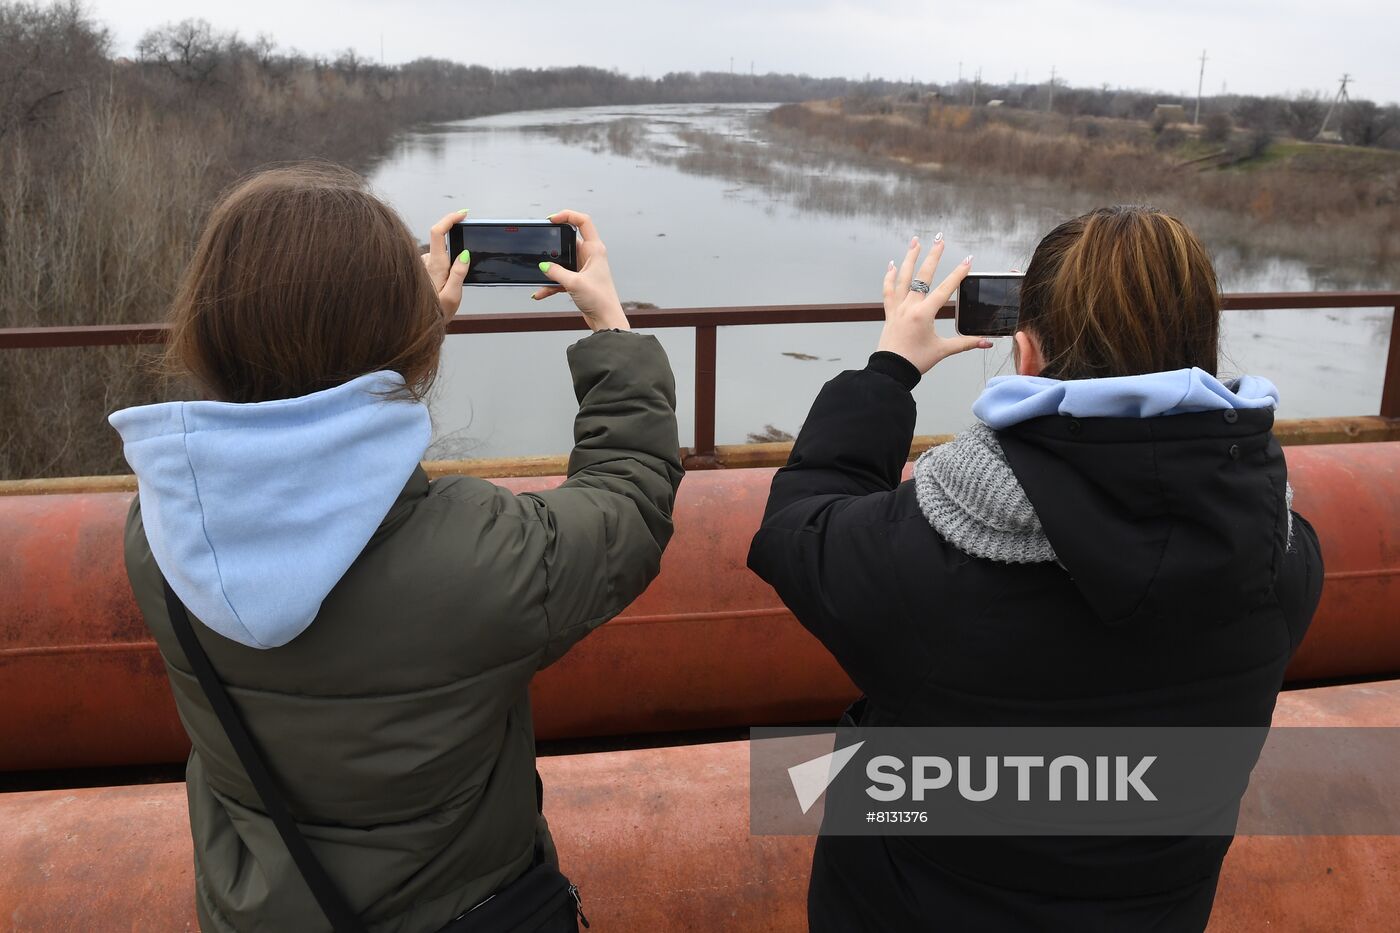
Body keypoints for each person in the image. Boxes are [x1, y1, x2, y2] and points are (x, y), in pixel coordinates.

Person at [109, 164, 683, 932]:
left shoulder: (160, 533)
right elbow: (629, 500)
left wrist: (396, 344)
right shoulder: (479, 554)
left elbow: (299, 425)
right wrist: (610, 326)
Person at [747, 207, 1324, 932]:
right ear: (1204, 348)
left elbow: (800, 523)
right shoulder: (1283, 560)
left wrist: (890, 368)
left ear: (1025, 354)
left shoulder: (928, 559)